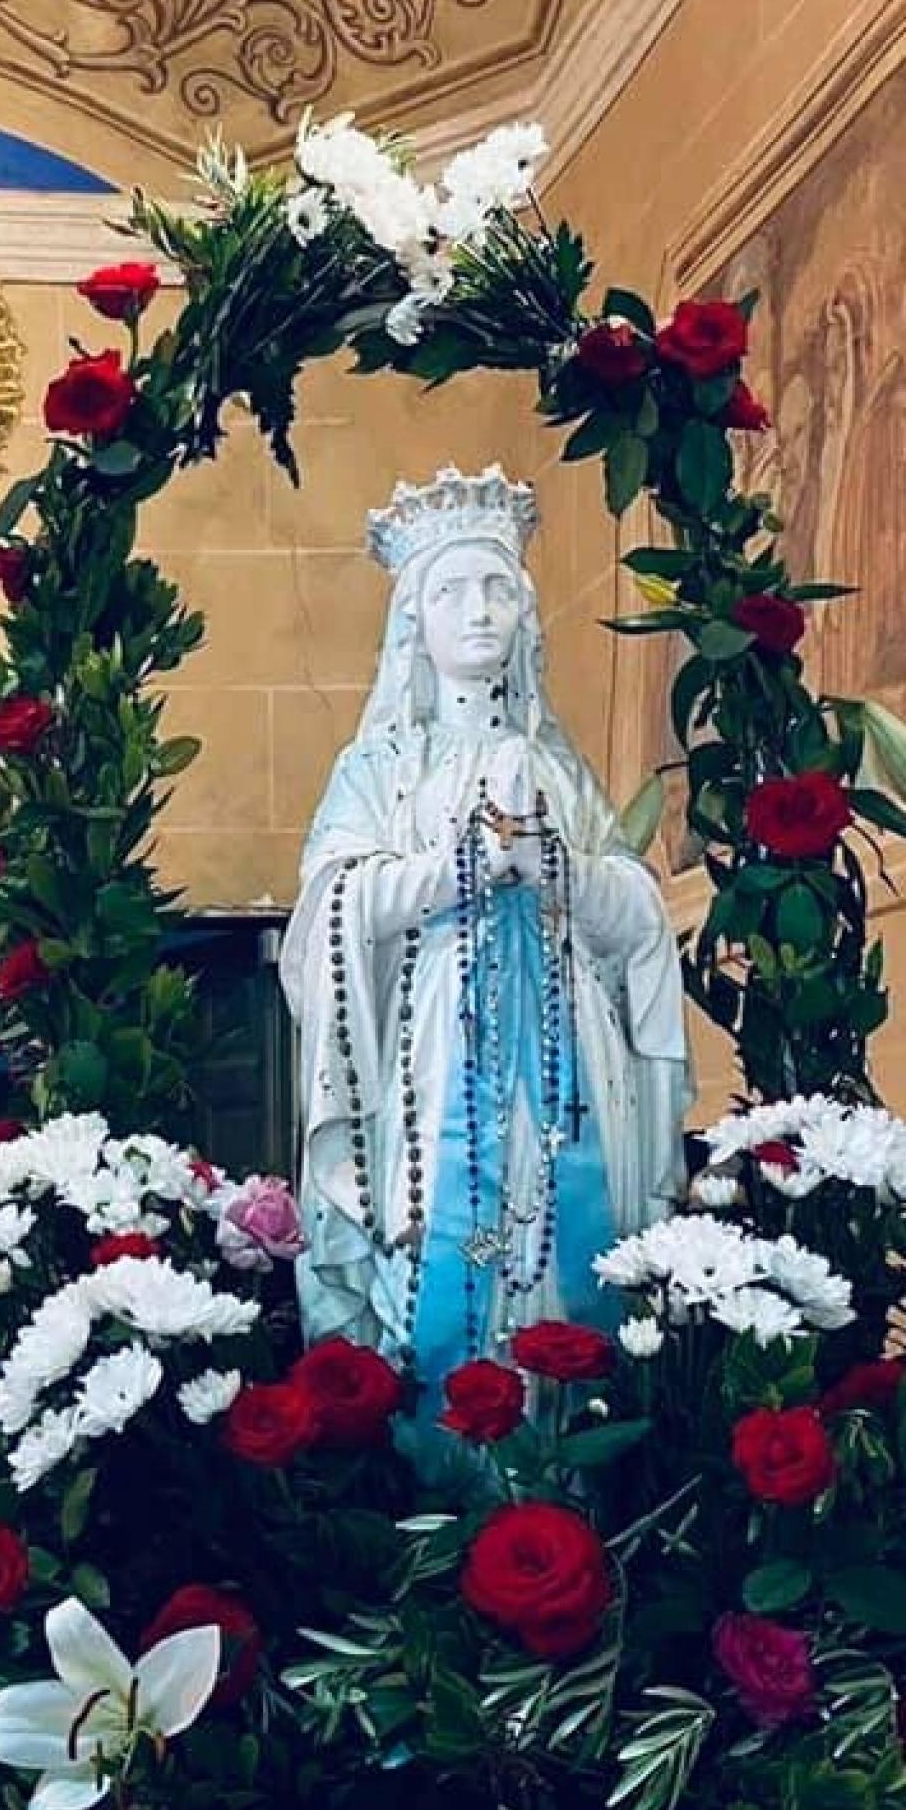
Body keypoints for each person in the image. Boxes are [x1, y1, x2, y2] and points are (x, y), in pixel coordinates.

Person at [280, 466, 687, 1469]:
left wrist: (560, 871)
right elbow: (328, 906)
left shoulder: (558, 767)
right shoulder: (381, 769)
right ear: (411, 622)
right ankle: (445, 1490)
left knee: (560, 1257)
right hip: (430, 1062)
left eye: (498, 589)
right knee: (438, 1254)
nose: (480, 611)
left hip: (568, 1059)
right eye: (454, 591)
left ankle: (565, 1486)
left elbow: (635, 911)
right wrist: (450, 870)